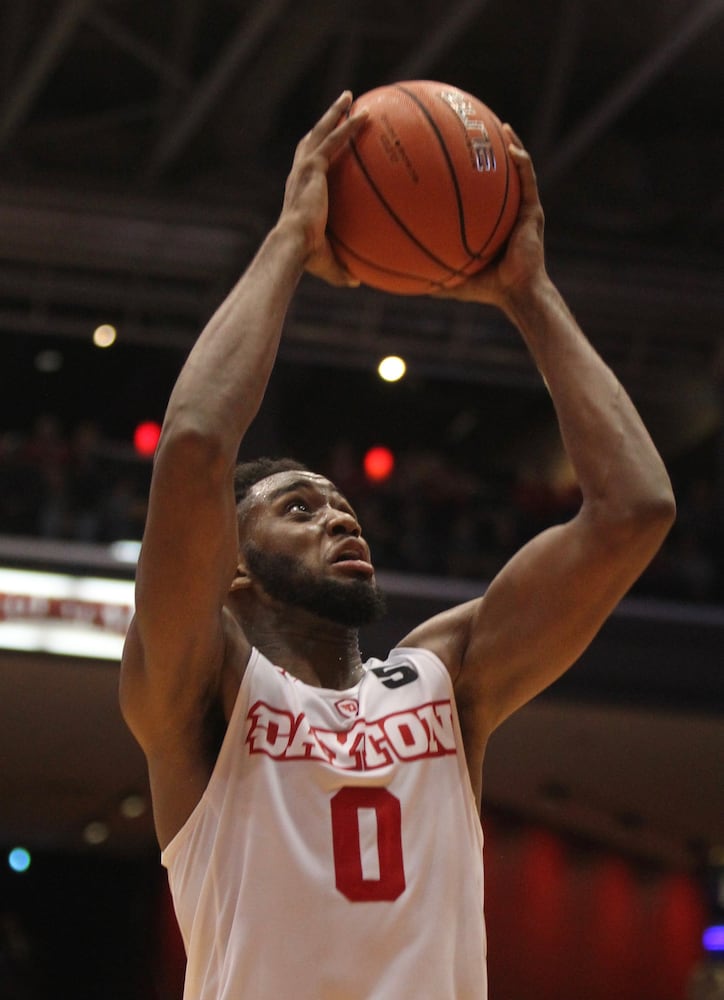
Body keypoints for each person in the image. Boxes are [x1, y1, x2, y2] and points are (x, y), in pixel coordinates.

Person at [119, 91, 675, 999]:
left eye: (340, 506)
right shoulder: (202, 695)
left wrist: (528, 294)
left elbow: (635, 509)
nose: (340, 519)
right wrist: (290, 242)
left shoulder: (446, 677)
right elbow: (193, 448)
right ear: (232, 572)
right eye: (298, 509)